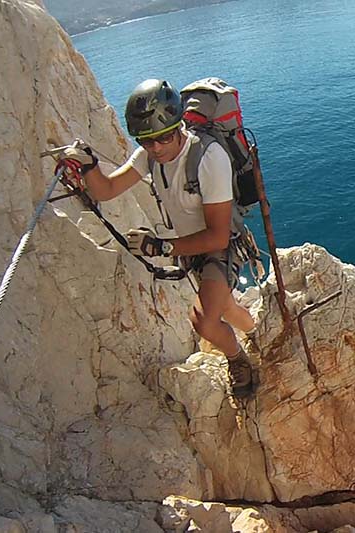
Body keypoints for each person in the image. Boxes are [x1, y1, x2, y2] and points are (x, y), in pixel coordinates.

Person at [55, 79, 257, 398]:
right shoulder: (149, 157)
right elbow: (106, 190)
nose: (156, 148)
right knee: (225, 307)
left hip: (220, 244)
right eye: (147, 140)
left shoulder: (208, 158)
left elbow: (218, 237)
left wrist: (164, 247)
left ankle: (238, 359)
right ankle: (258, 332)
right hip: (190, 245)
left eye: (163, 137)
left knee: (203, 321)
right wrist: (89, 165)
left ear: (178, 125)